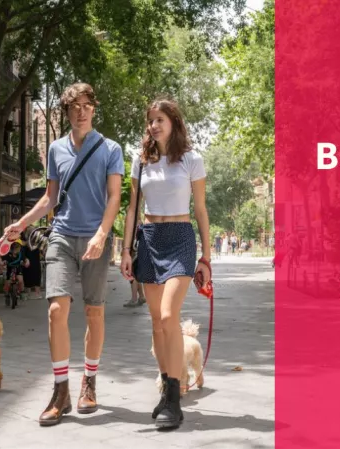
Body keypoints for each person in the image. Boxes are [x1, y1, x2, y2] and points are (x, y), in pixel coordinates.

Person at [3, 82, 124, 427]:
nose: (81, 111)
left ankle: (89, 381)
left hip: (96, 240)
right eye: (75, 107)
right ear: (67, 112)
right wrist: (21, 224)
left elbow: (114, 196)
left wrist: (103, 234)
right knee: (57, 309)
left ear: (93, 109)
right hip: (61, 236)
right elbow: (50, 198)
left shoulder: (110, 148)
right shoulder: (56, 149)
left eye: (87, 105)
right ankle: (60, 390)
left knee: (93, 312)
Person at [120, 98, 211, 429]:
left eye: (160, 119)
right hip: (149, 239)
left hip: (181, 238)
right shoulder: (141, 161)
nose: (154, 125)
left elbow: (200, 209)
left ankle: (174, 397)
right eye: (151, 121)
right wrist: (126, 250)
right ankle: (167, 387)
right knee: (157, 322)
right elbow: (132, 209)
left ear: (173, 122)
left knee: (170, 316)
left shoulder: (191, 160)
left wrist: (207, 257)